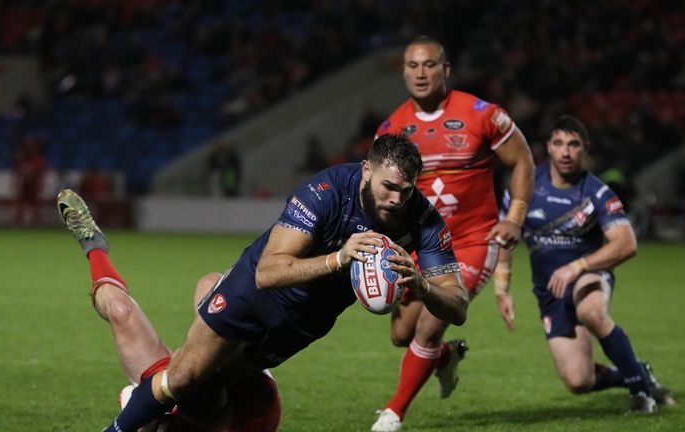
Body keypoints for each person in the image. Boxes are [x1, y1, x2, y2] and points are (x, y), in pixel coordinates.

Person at [60, 133, 469, 432]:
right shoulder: (326, 191)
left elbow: (458, 305)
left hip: (302, 323)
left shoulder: (421, 220)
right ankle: (126, 415)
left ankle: (146, 399)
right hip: (254, 294)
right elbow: (267, 272)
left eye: (406, 190)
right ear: (366, 172)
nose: (397, 199)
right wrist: (339, 257)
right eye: (389, 187)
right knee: (185, 379)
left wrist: (421, 284)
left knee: (201, 378)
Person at [371, 36, 535, 431]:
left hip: (474, 241)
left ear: (445, 70)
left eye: (429, 65)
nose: (420, 73)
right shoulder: (391, 129)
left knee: (430, 324)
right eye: (412, 66)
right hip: (421, 244)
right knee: (401, 334)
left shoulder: (483, 115)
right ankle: (445, 358)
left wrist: (514, 217)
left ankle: (393, 413)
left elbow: (523, 161)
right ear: (404, 72)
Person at [58, 189, 281, 432]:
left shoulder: (162, 408)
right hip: (228, 391)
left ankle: (94, 246)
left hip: (183, 395)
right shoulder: (255, 412)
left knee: (120, 309)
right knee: (209, 285)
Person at [494, 115, 674, 413]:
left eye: (574, 145)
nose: (566, 152)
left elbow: (626, 244)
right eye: (559, 144)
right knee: (579, 381)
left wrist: (578, 267)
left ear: (585, 149)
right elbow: (506, 236)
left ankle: (642, 394)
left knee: (591, 311)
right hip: (549, 293)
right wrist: (502, 290)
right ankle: (636, 372)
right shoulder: (524, 187)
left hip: (588, 277)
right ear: (548, 147)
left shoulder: (596, 192)